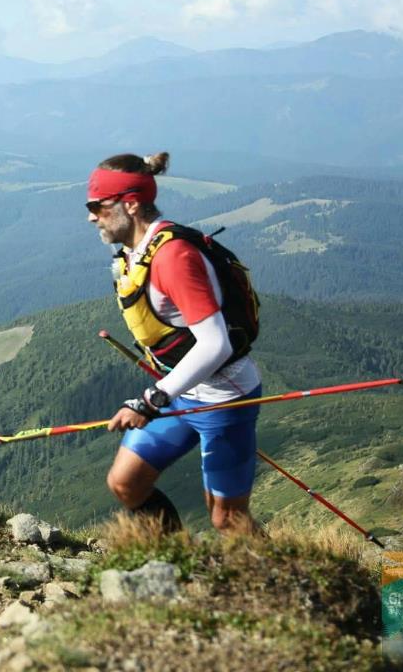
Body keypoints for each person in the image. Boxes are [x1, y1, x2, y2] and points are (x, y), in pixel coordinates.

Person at [86, 151, 262, 533]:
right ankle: (177, 568)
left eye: (97, 206)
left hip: (222, 398)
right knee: (125, 483)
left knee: (228, 520)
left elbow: (216, 344)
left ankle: (296, 585)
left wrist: (153, 398)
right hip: (181, 391)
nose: (91, 216)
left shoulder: (172, 258)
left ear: (129, 205)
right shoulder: (138, 252)